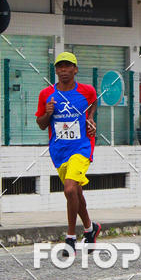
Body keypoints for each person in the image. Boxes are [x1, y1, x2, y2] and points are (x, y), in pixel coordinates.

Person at [36, 52, 101, 259]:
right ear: (55, 70)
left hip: (82, 146)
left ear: (75, 70)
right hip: (59, 150)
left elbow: (92, 104)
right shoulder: (46, 94)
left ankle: (71, 238)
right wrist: (47, 112)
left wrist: (90, 119)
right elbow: (41, 124)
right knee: (75, 193)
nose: (63, 70)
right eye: (60, 67)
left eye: (68, 66)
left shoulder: (86, 91)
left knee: (70, 188)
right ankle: (91, 229)